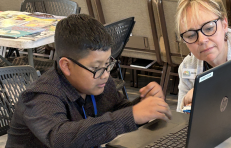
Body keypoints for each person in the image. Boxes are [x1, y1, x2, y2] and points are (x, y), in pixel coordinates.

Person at [6, 14, 172, 148]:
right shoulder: (41, 96)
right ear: (66, 66)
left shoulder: (98, 81)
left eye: (108, 64)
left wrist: (145, 105)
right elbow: (60, 138)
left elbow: (117, 110)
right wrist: (132, 115)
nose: (106, 74)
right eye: (96, 67)